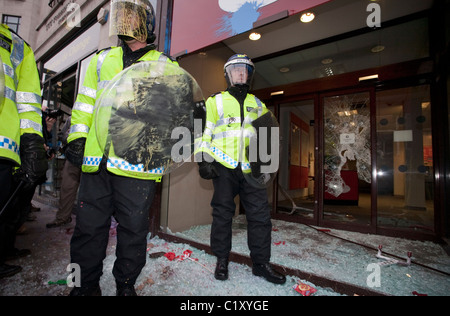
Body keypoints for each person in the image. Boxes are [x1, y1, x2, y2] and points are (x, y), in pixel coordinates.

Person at [65, 0, 179, 296]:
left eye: (132, 16)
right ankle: (81, 286)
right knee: (87, 231)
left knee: (133, 232)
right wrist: (76, 138)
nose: (125, 21)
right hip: (96, 163)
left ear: (147, 24)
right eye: (122, 15)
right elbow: (84, 105)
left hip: (137, 166)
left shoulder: (166, 65)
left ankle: (126, 285)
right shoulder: (101, 60)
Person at [195, 54, 286, 284]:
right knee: (223, 214)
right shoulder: (215, 102)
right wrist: (203, 159)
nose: (241, 73)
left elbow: (265, 138)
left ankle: (261, 264)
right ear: (228, 74)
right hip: (223, 165)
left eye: (245, 70)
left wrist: (265, 165)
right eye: (236, 70)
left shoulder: (258, 104)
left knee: (260, 216)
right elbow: (203, 133)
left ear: (250, 75)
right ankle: (222, 260)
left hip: (250, 170)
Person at [0, 24, 47, 279]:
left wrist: (32, 145)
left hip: (4, 150)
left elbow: (28, 103)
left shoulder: (16, 45)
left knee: (7, 211)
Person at [46, 116, 80, 228]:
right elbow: (62, 135)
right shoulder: (73, 117)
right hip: (73, 158)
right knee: (67, 188)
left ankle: (88, 222)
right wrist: (69, 136)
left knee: (91, 194)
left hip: (91, 158)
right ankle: (62, 218)